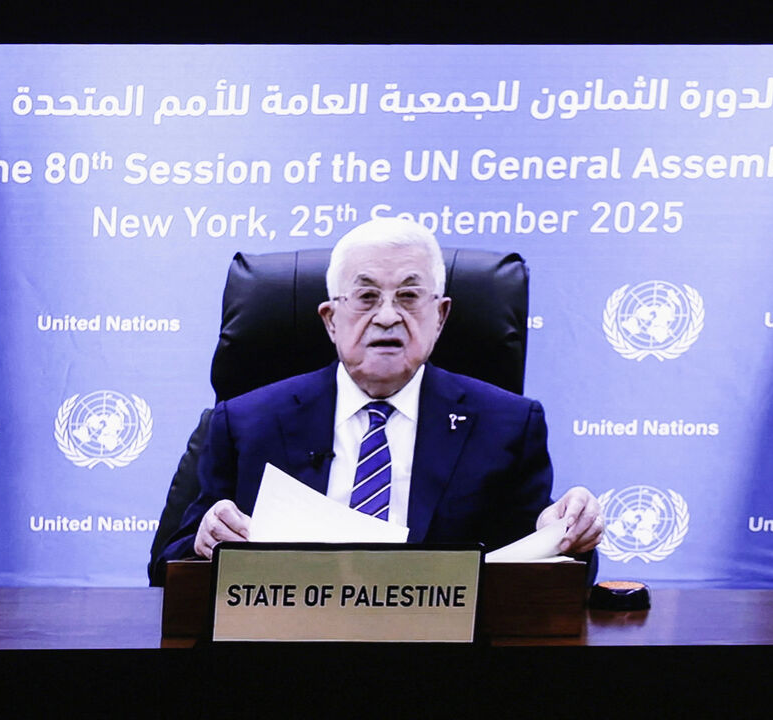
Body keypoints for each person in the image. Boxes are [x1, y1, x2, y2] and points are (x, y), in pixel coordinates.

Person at [153, 217, 603, 571]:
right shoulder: (246, 423)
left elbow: (545, 569)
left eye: (409, 296)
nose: (387, 316)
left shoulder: (507, 425)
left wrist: (563, 533)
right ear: (331, 319)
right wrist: (206, 538)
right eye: (366, 297)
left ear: (440, 316)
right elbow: (168, 566)